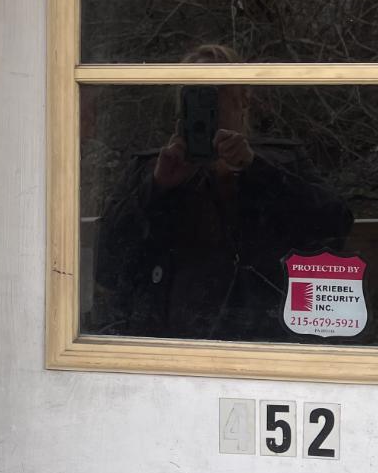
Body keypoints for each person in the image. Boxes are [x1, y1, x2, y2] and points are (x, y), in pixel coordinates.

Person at [91, 45, 353, 341]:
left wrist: (254, 169)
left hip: (258, 335)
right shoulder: (153, 169)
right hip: (166, 339)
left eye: (216, 94)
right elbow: (106, 265)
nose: (207, 108)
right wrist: (157, 188)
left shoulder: (283, 161)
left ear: (243, 99)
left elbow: (335, 225)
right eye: (195, 95)